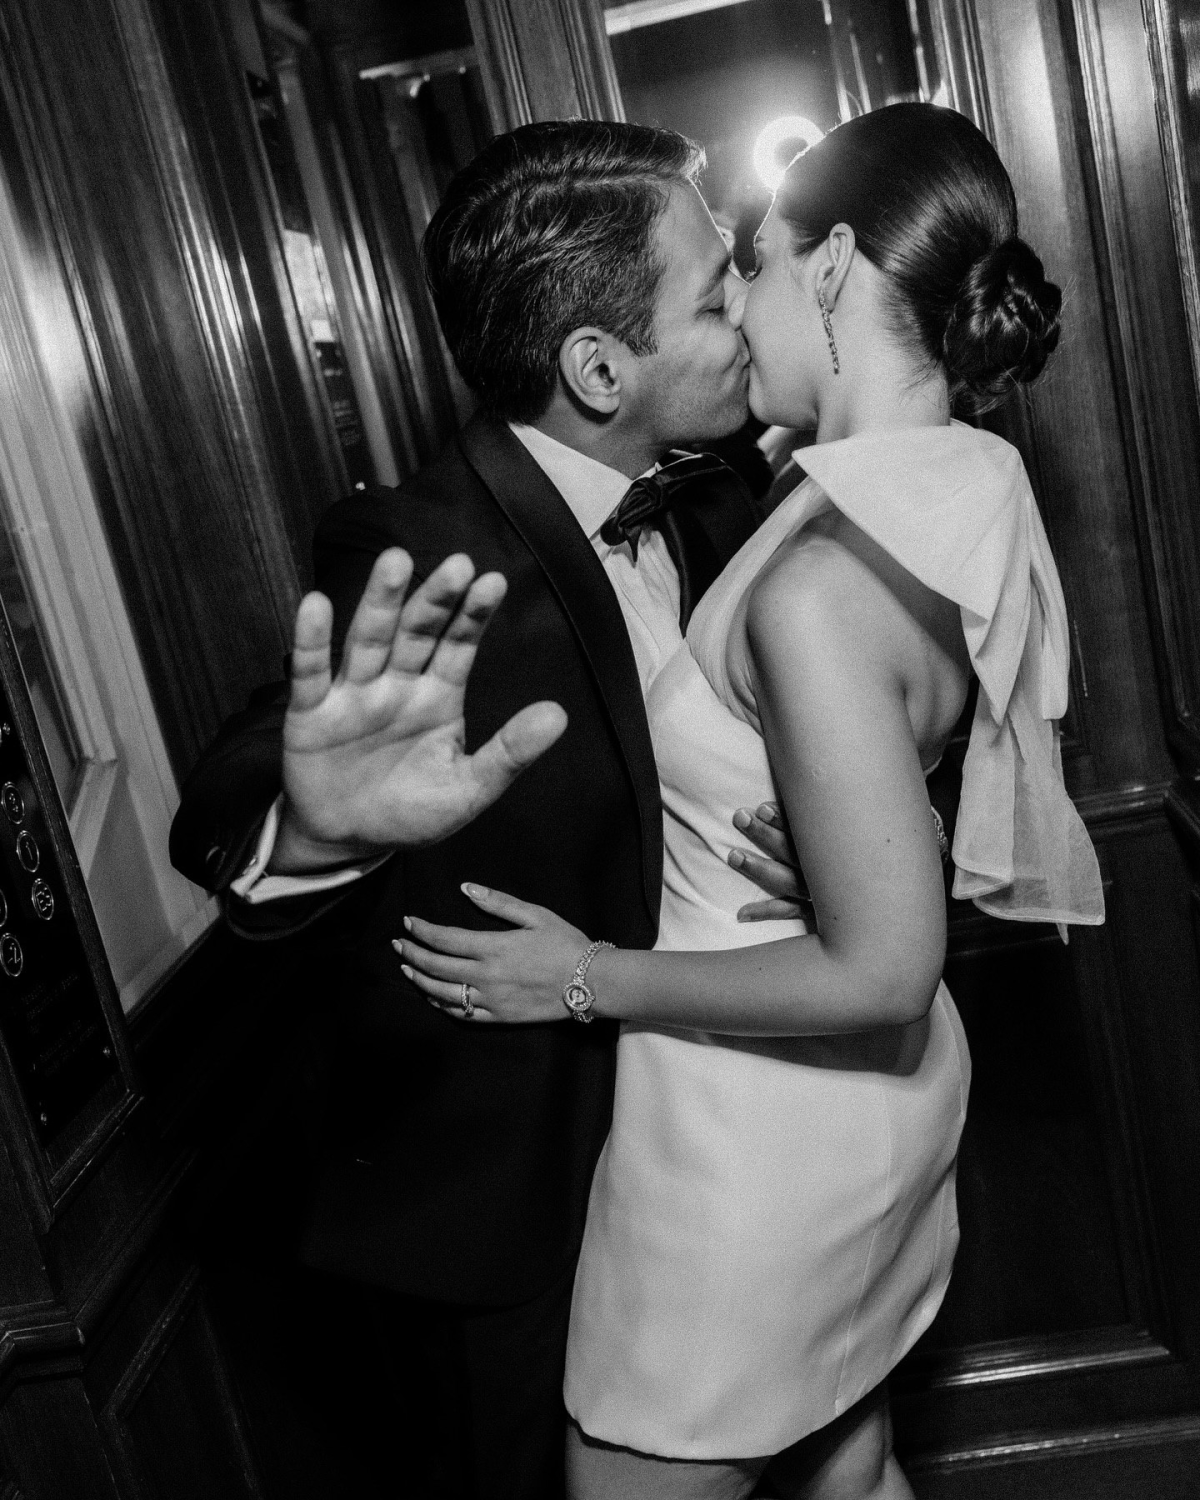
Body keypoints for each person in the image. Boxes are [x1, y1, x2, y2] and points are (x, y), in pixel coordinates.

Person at [397, 103, 1105, 1500]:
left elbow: (885, 964)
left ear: (832, 268)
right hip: (856, 1102)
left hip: (756, 1136)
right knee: (849, 1473)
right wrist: (869, 832)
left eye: (754, 265)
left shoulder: (819, 579)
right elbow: (914, 742)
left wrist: (582, 978)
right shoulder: (950, 483)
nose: (735, 304)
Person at [169, 120, 805, 1499]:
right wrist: (315, 829)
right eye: (717, 294)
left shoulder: (722, 492)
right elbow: (232, 788)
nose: (751, 309)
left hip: (722, 1137)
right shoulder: (421, 546)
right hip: (517, 1201)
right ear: (597, 368)